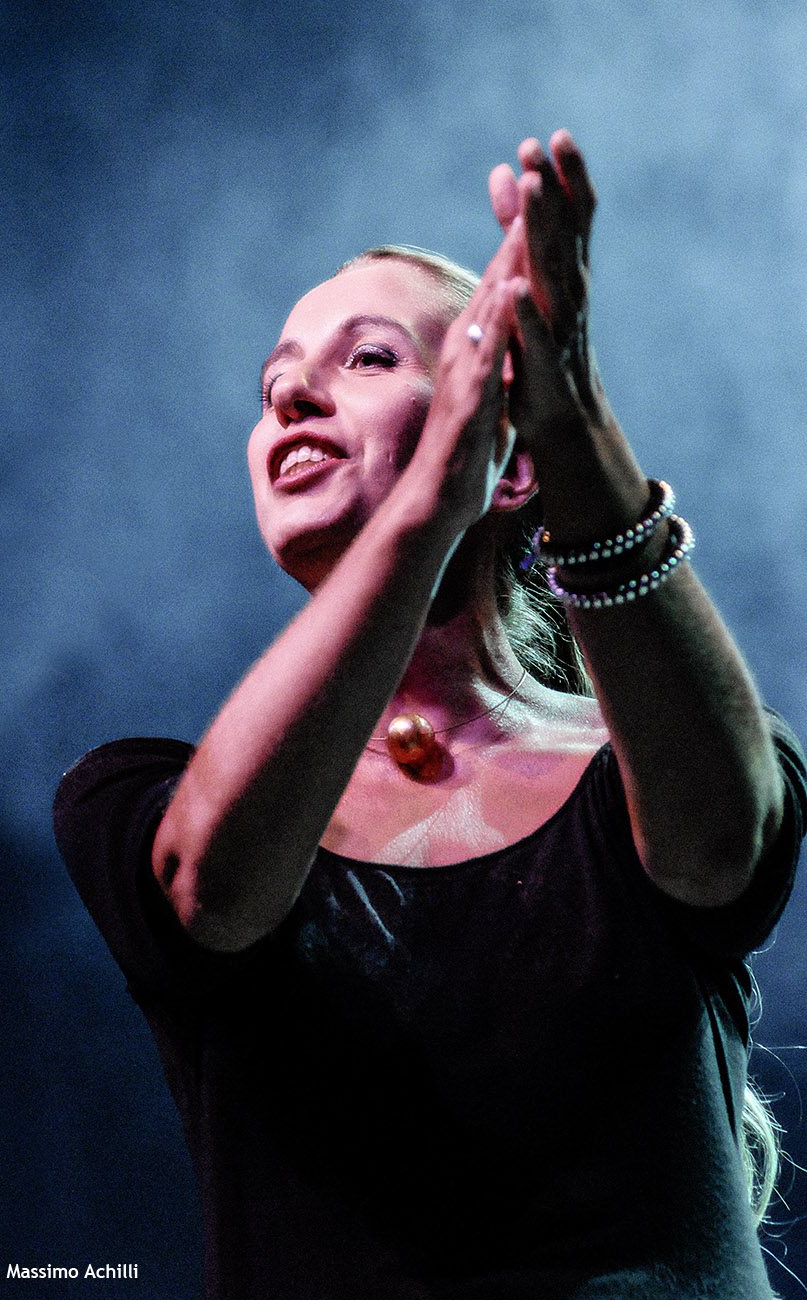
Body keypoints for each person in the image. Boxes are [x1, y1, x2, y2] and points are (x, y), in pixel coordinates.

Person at [54, 131, 806, 1299]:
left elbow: (717, 842)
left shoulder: (641, 764)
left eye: (366, 357)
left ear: (511, 461)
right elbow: (215, 889)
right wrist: (425, 507)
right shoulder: (140, 800)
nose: (290, 393)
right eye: (271, 383)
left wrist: (568, 416)